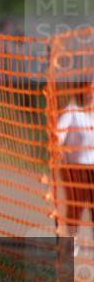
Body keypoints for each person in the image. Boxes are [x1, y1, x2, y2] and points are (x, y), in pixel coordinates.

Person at [55, 79, 94, 255]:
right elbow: (57, 134)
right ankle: (71, 242)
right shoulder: (72, 111)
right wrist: (58, 149)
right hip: (74, 168)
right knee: (76, 207)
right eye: (88, 89)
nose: (90, 93)